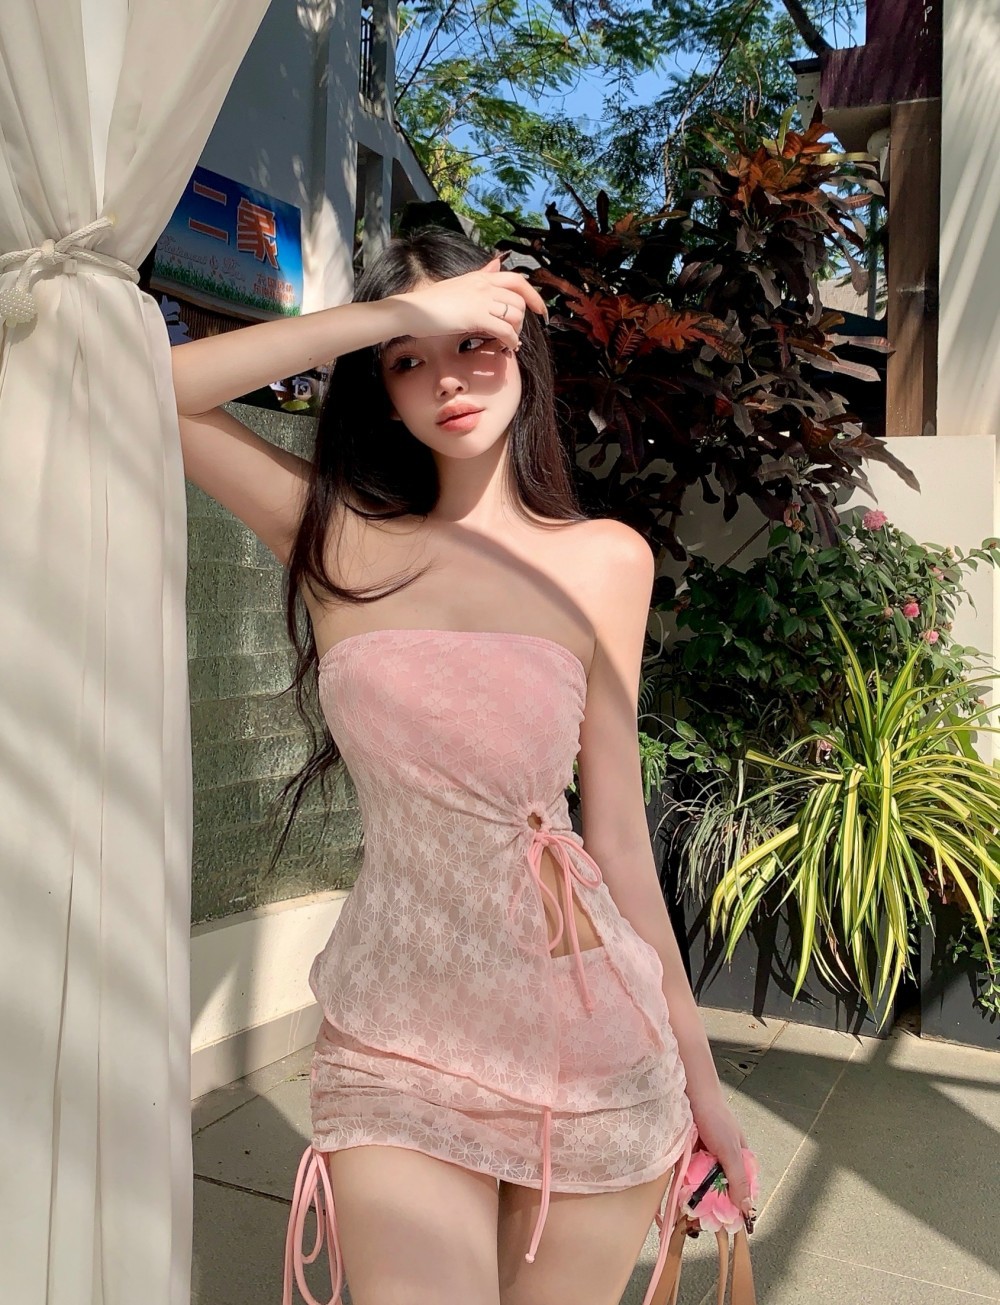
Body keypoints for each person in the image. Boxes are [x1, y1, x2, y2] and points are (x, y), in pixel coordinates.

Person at [172, 227, 754, 1305]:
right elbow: (161, 388)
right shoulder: (339, 541)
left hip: (590, 1036)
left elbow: (618, 841)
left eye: (475, 344)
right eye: (410, 360)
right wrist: (396, 312)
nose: (444, 377)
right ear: (382, 385)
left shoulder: (605, 561)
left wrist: (704, 1085)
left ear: (523, 350)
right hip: (398, 1031)